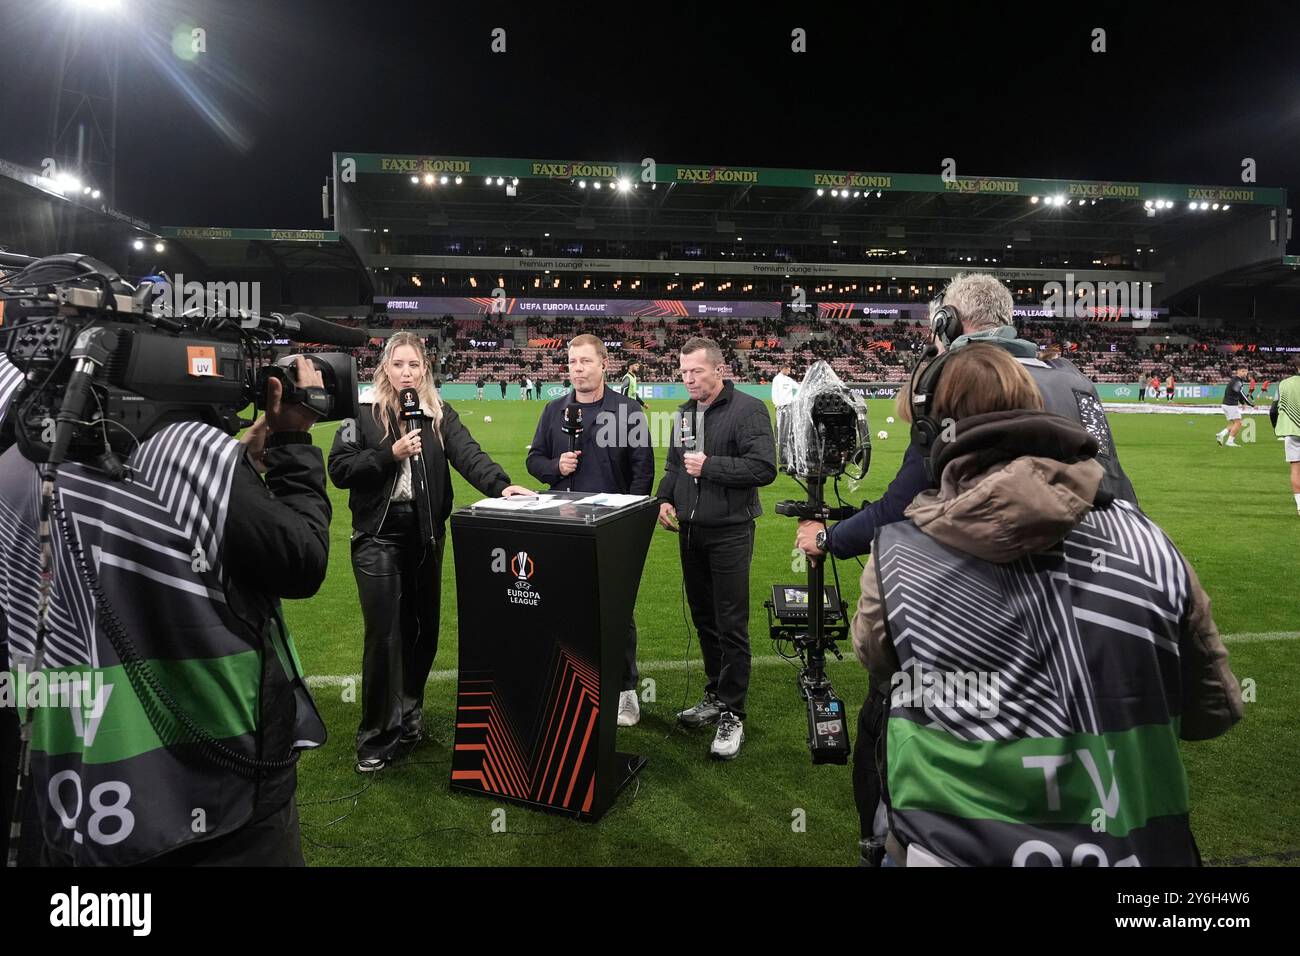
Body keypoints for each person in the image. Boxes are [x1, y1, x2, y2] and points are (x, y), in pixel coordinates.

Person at [791, 272, 1139, 864]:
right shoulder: (1075, 380)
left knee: (893, 719)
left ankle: (886, 842)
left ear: (950, 322)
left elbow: (901, 508)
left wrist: (831, 537)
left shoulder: (951, 382)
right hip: (1082, 611)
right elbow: (1114, 491)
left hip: (973, 600)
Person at [850, 344, 1243, 866]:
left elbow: (879, 663)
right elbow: (1213, 708)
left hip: (949, 847)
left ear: (929, 436)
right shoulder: (1148, 540)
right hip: (1137, 849)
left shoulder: (895, 557)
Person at [0, 353, 330, 865]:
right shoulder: (186, 450)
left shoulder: (13, 460)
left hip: (70, 793)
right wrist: (292, 440)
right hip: (223, 789)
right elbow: (301, 560)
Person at [328, 332, 532, 773]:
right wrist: (389, 452)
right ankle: (376, 737)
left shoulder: (439, 413)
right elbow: (340, 469)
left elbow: (468, 455)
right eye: (398, 364)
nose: (406, 372)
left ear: (425, 370)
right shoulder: (361, 413)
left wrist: (500, 485)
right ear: (385, 368)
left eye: (414, 365)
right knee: (385, 636)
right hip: (377, 537)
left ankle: (408, 711)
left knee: (424, 631)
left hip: (425, 534)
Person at [656, 337, 776, 760]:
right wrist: (664, 499)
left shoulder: (749, 409)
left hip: (730, 532)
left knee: (731, 624)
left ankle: (734, 713)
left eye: (696, 371)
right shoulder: (686, 413)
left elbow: (764, 468)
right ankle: (715, 693)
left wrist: (711, 466)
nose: (688, 378)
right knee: (705, 619)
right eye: (684, 371)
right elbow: (674, 464)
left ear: (719, 370)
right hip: (690, 533)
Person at [527, 335, 654, 725]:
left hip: (611, 528)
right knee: (564, 607)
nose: (578, 369)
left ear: (603, 364)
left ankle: (625, 691)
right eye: (572, 362)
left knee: (616, 611)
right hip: (563, 526)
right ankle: (569, 685)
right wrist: (555, 468)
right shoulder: (553, 411)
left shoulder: (627, 411)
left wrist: (630, 522)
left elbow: (642, 472)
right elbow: (534, 460)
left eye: (585, 361)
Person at [1271, 356, 1300, 515]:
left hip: (1292, 431)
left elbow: (1273, 410)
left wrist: (1277, 429)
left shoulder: (1284, 384)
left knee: (1296, 469)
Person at [1216, 365, 1254, 447]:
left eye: (1246, 371)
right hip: (1231, 405)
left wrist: (1242, 403)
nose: (1245, 373)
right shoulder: (1237, 381)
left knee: (1235, 423)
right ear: (1238, 371)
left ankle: (1221, 434)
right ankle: (1229, 441)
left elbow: (1238, 393)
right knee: (1238, 423)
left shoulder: (1237, 381)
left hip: (1226, 404)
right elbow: (1241, 394)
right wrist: (1251, 404)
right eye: (1242, 371)